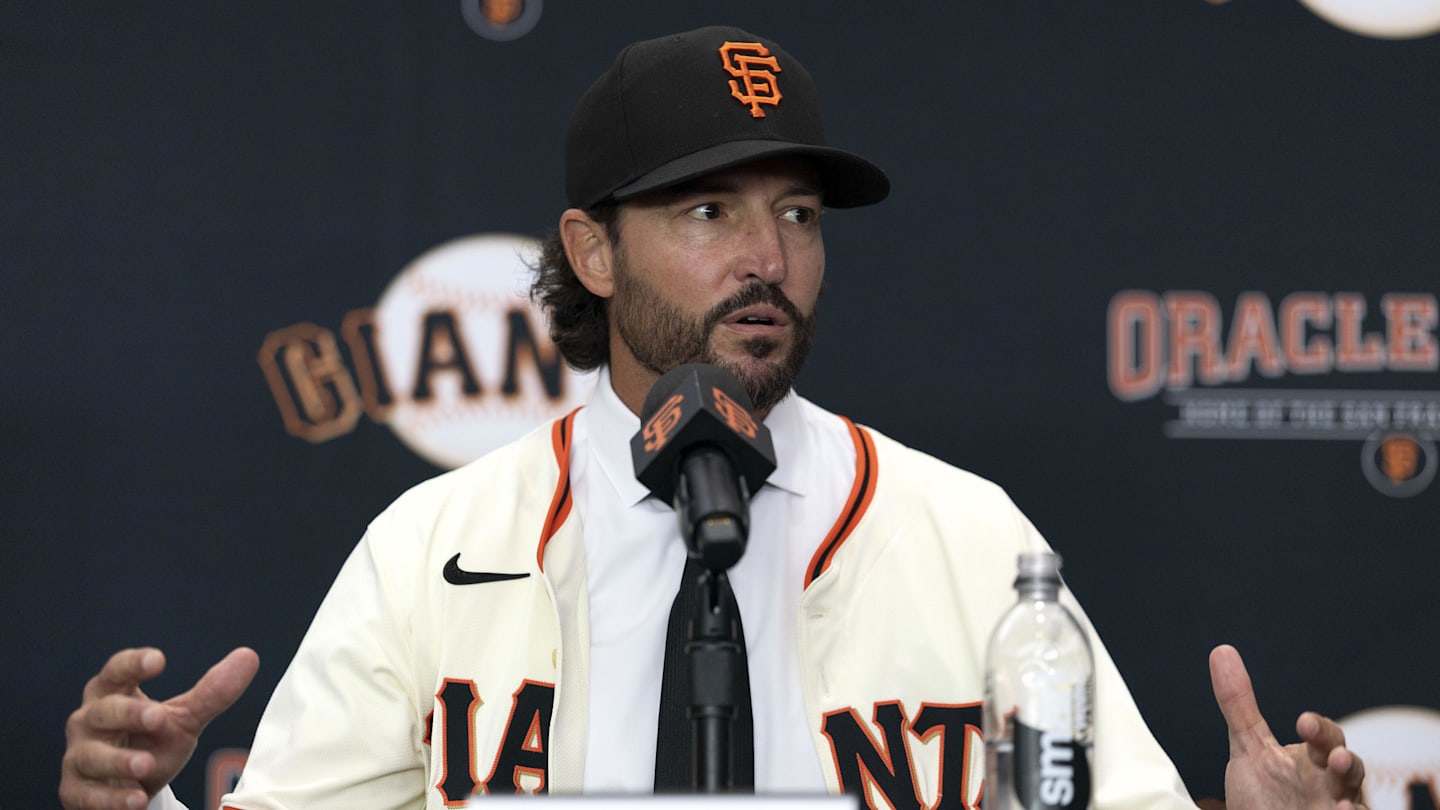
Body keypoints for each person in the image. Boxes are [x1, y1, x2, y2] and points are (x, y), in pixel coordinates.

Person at [60, 25, 1368, 810]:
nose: (769, 256)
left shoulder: (966, 539)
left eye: (796, 213)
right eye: (708, 211)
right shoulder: (438, 546)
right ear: (592, 248)